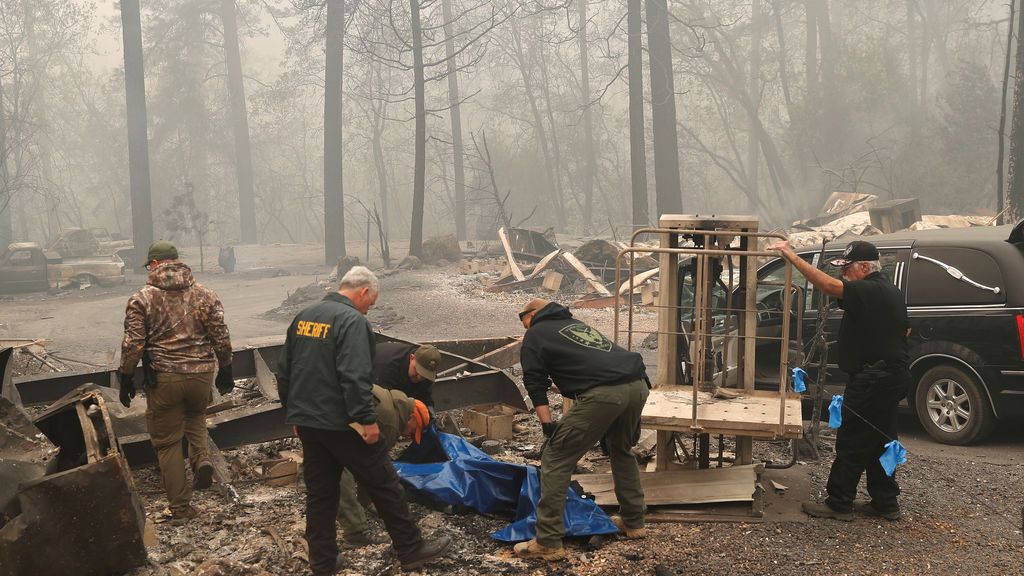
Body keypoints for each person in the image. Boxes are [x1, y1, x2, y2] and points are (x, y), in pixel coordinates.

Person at [276, 266, 450, 575]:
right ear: (363, 291)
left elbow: (285, 370)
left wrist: (294, 412)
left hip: (311, 423)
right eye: (372, 301)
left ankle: (323, 561)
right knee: (384, 483)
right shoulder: (352, 321)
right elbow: (356, 376)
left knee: (321, 495)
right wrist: (367, 420)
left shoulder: (304, 316)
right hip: (344, 422)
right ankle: (411, 549)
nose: (370, 307)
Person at [769, 239, 909, 521]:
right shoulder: (886, 291)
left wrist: (791, 257)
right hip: (888, 375)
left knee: (853, 439)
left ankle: (840, 502)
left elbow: (830, 287)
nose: (844, 275)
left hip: (873, 378)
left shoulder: (871, 289)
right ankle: (885, 501)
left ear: (865, 267)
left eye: (848, 269)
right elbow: (904, 330)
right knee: (880, 439)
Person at [513, 298, 650, 561]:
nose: (524, 326)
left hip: (605, 394)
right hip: (637, 384)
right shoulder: (574, 325)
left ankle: (548, 541)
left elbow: (534, 381)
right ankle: (634, 522)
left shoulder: (536, 334)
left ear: (533, 314)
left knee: (555, 457)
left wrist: (547, 425)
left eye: (523, 319)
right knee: (621, 449)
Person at [118, 240, 233, 524]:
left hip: (165, 377)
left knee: (167, 443)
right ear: (177, 260)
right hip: (201, 376)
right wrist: (226, 369)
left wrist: (126, 376)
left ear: (155, 264)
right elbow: (221, 335)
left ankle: (181, 508)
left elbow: (133, 344)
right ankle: (201, 459)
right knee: (195, 417)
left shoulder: (142, 299)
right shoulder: (206, 295)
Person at [337, 385, 432, 548]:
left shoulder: (395, 400)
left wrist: (366, 501)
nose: (408, 435)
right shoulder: (390, 424)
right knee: (340, 468)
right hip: (333, 419)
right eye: (412, 430)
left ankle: (360, 511)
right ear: (411, 417)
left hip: (327, 409)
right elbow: (373, 467)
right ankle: (355, 532)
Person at [372, 341, 442, 410]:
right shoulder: (387, 368)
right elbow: (380, 401)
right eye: (417, 371)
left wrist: (429, 412)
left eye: (424, 375)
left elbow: (425, 397)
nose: (419, 378)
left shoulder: (427, 374)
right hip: (369, 378)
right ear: (412, 358)